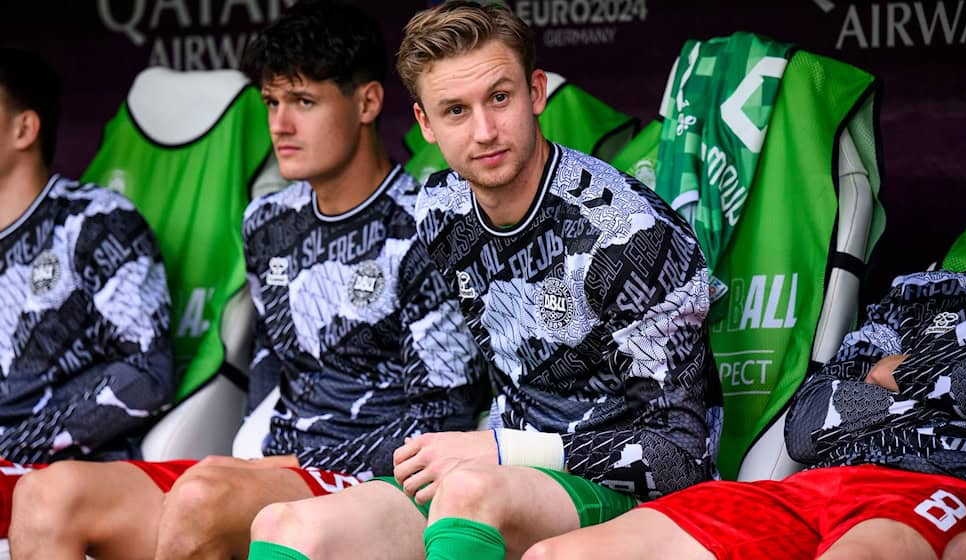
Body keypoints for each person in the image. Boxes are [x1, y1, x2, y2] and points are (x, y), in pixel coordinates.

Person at [244, 3, 723, 559]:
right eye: (455, 111)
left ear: (536, 92)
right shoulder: (441, 212)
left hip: (628, 492)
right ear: (424, 124)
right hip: (494, 469)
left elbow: (680, 454)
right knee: (284, 526)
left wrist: (504, 450)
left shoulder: (629, 236)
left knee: (470, 495)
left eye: (500, 97)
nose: (485, 131)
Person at [8, 2, 485, 559]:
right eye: (272, 102)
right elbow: (269, 364)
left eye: (304, 102)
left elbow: (443, 417)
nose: (280, 125)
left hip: (374, 485)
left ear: (368, 102)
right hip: (271, 473)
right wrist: (254, 456)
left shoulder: (430, 223)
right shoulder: (268, 220)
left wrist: (285, 466)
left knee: (206, 497)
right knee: (49, 492)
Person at [518, 77, 966, 560]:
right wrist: (953, 391)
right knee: (558, 555)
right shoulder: (917, 291)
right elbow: (809, 418)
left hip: (946, 482)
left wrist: (899, 372)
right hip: (817, 485)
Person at [0, 42, 173, 481]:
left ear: (24, 129)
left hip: (61, 474)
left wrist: (17, 446)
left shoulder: (95, 224)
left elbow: (148, 373)